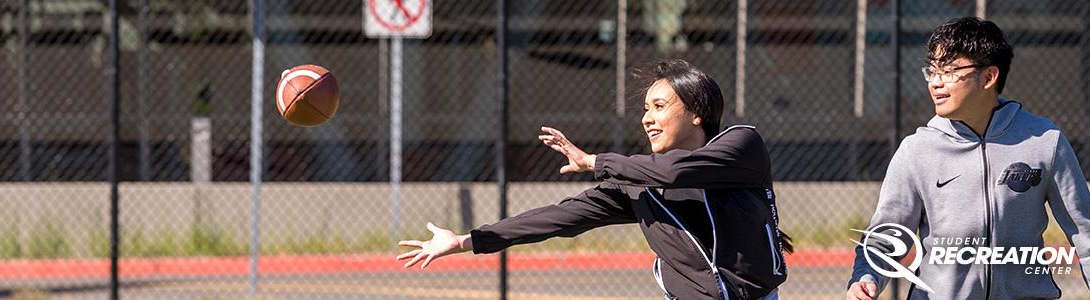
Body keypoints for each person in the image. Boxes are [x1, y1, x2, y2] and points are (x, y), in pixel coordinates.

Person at [397, 59, 792, 299]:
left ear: (697, 113)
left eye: (659, 106)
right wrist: (467, 240)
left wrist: (594, 161)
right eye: (644, 109)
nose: (646, 118)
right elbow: (559, 218)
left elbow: (674, 172)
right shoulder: (637, 182)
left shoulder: (741, 145)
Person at [846, 17, 1090, 299]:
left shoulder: (1045, 141)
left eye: (949, 72)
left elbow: (1084, 232)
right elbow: (886, 237)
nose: (935, 83)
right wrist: (865, 277)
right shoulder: (917, 150)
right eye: (932, 71)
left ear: (988, 77)